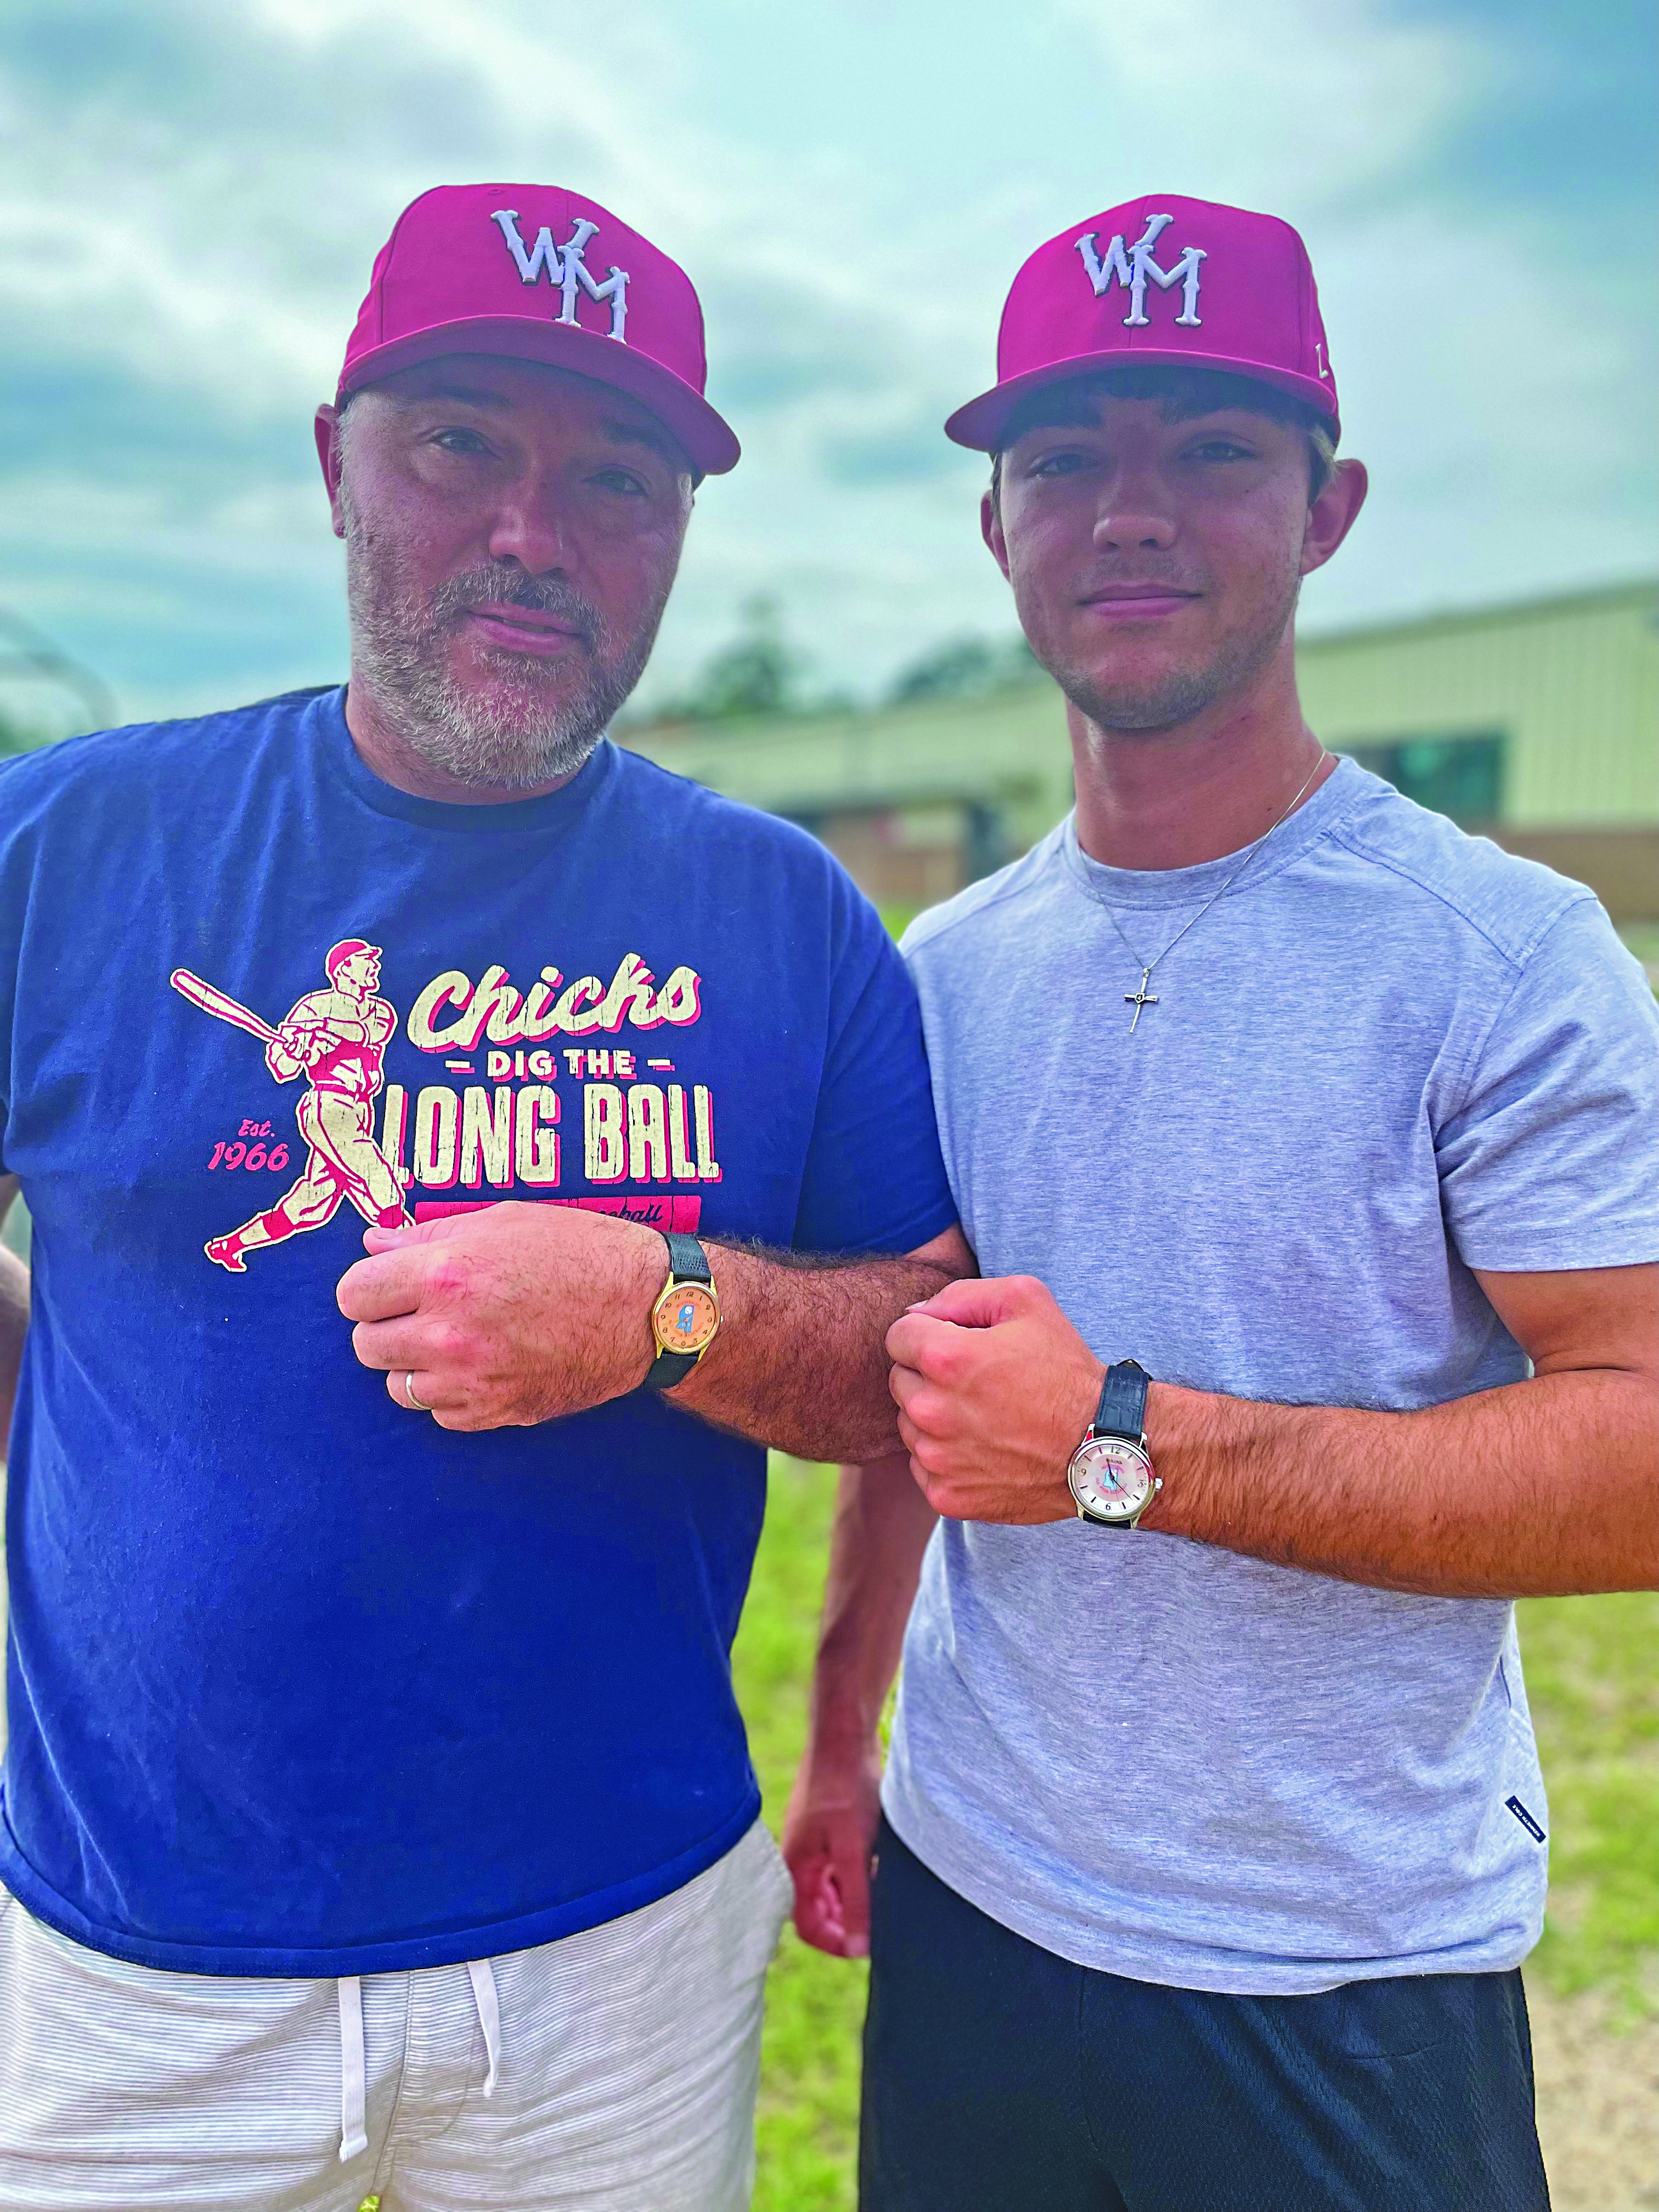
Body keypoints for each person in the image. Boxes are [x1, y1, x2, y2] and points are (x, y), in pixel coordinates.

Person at [0, 182, 967, 2211]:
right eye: (460, 445)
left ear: (681, 533)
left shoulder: (783, 917)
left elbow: (919, 1373)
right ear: (335, 461)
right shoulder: (69, 851)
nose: (536, 532)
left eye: (617, 476)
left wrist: (659, 1308)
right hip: (123, 1962)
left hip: (611, 1960)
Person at [784, 192, 1659, 2211]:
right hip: (976, 1903)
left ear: (1329, 509)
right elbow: (928, 1397)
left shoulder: (1498, 956)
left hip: (1339, 1975)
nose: (1132, 513)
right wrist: (846, 1742)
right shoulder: (952, 968)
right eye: (1066, 461)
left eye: (1213, 451)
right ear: (994, 526)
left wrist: (1123, 1446)